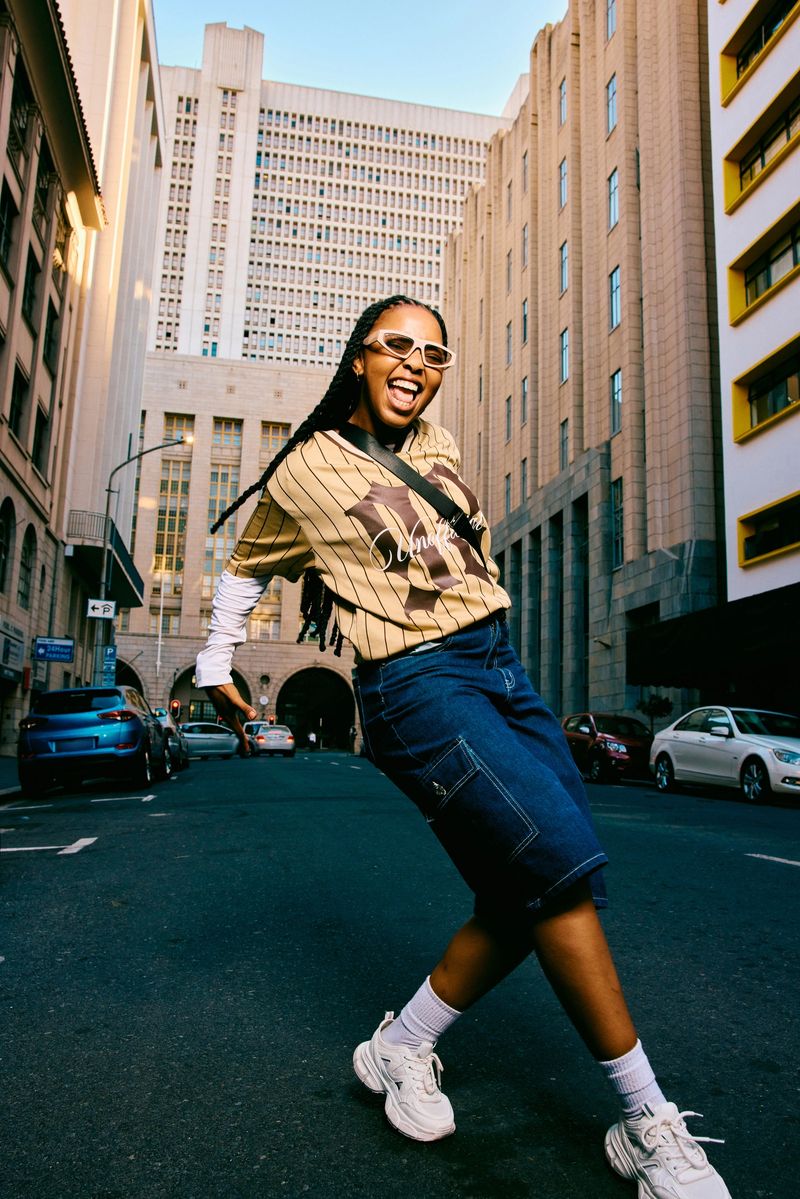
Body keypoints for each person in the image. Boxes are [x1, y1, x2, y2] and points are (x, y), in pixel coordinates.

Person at [195, 295, 730, 1199]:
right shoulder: (307, 466)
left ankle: (402, 1043)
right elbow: (248, 560)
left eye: (434, 352)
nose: (416, 363)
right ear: (360, 356)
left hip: (500, 665)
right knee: (554, 867)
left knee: (536, 883)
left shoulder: (439, 446)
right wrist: (217, 657)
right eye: (397, 346)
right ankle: (647, 1122)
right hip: (415, 683)